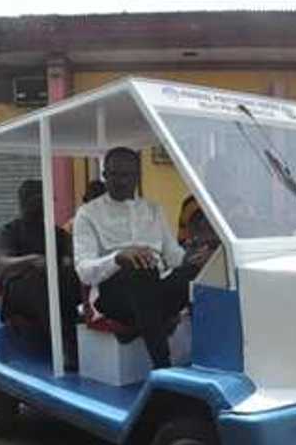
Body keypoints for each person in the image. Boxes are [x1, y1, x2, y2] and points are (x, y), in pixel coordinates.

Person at [73, 147, 208, 369]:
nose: (120, 181)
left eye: (127, 175)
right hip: (113, 295)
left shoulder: (153, 210)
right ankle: (162, 366)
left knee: (201, 273)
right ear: (104, 175)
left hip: (154, 287)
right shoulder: (87, 214)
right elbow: (84, 271)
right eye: (114, 174)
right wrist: (118, 258)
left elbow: (173, 256)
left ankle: (210, 359)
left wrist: (193, 258)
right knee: (140, 268)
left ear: (137, 176)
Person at [0, 180, 81, 370]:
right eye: (36, 201)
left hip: (54, 284)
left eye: (44, 200)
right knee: (40, 283)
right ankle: (63, 346)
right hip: (18, 291)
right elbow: (2, 261)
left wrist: (68, 260)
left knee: (73, 278)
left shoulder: (56, 232)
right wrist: (30, 260)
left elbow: (69, 256)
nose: (41, 205)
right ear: (23, 202)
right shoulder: (9, 231)